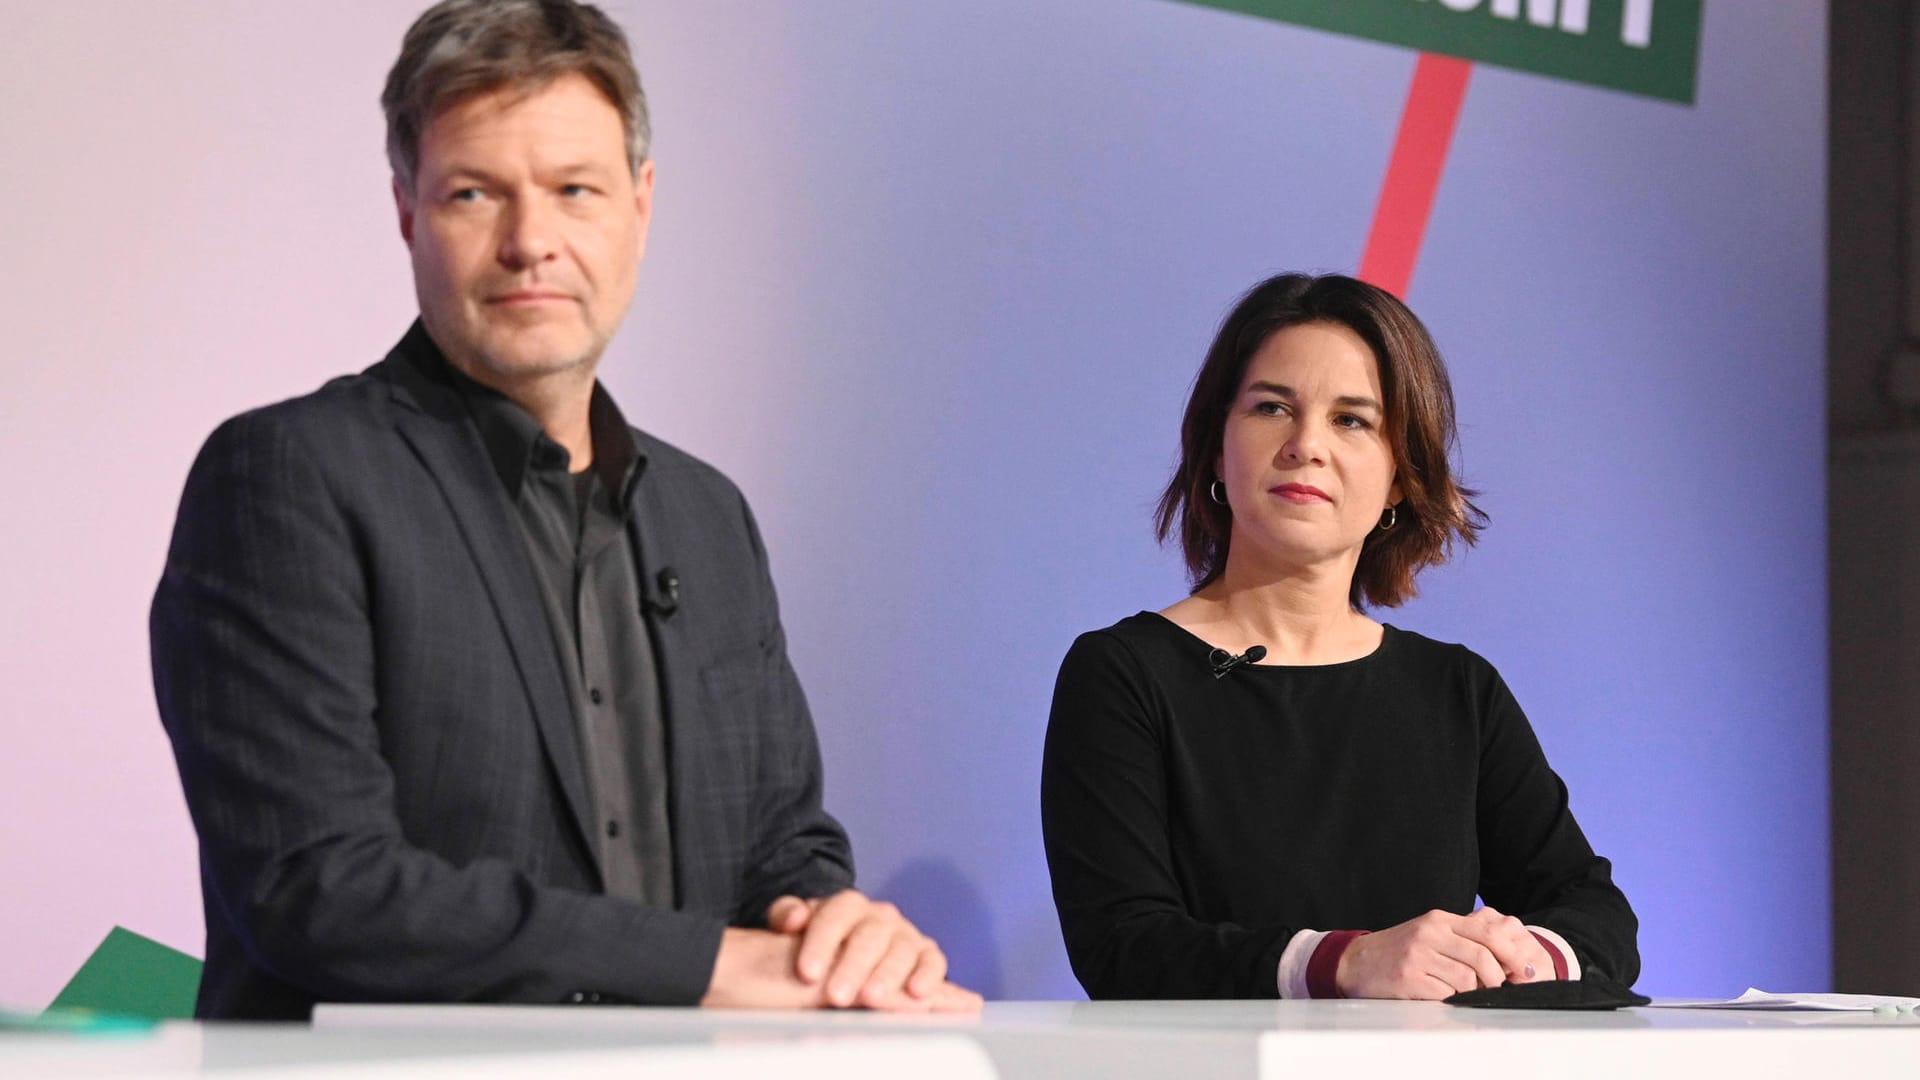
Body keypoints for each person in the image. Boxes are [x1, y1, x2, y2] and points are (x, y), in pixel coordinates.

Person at [150, 0, 978, 1020]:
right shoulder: (287, 475)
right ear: (408, 210)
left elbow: (782, 844)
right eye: (473, 194)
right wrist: (702, 966)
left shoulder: (708, 518)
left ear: (640, 204)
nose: (528, 240)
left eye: (573, 190)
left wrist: (837, 929)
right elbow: (319, 888)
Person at [1040, 272, 1638, 1000]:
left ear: (1398, 479)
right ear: (1215, 447)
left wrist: (1520, 953)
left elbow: (1597, 916)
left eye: (1352, 420)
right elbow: (1123, 947)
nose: (1306, 446)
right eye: (1271, 408)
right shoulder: (1124, 673)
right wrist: (1347, 962)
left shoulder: (1456, 691)